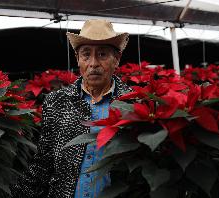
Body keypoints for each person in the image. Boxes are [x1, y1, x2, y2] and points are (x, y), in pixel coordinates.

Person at [11, 19, 131, 197]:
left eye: (103, 54)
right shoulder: (56, 102)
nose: (93, 63)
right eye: (86, 54)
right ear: (78, 59)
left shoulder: (133, 103)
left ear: (117, 59)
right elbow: (44, 163)